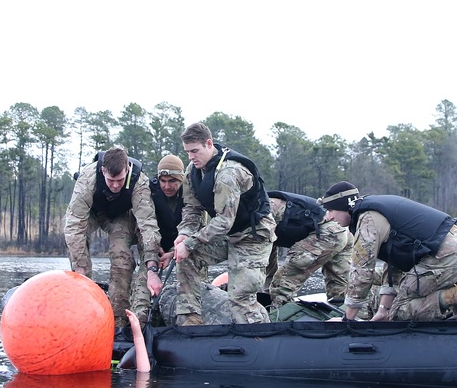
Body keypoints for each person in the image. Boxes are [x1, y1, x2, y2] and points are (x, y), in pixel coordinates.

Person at [320, 181, 457, 322]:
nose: (329, 217)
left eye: (330, 210)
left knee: (399, 311)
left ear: (342, 206)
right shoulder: (378, 208)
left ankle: (455, 294)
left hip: (447, 254)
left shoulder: (366, 219)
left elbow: (361, 272)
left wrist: (346, 320)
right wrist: (383, 310)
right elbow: (393, 266)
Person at [171, 122, 276, 326]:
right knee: (187, 259)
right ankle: (191, 322)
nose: (191, 157)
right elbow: (192, 209)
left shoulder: (228, 174)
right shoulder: (193, 171)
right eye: (187, 152)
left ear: (209, 143)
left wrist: (191, 242)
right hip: (228, 236)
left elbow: (223, 222)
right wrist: (185, 233)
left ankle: (259, 336)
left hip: (253, 237)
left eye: (195, 151)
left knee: (240, 299)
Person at [64, 145, 162, 330]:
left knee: (121, 257)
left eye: (119, 180)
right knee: (77, 249)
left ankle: (118, 318)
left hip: (120, 216)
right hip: (92, 212)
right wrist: (80, 266)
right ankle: (84, 307)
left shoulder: (138, 182)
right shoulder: (88, 178)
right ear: (103, 171)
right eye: (110, 180)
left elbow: (147, 224)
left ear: (127, 169)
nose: (116, 185)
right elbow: (74, 223)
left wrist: (151, 266)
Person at [265, 190, 351, 309]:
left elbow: (255, 255)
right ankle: (343, 313)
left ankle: (278, 318)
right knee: (339, 287)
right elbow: (267, 260)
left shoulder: (258, 209)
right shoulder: (261, 207)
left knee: (283, 285)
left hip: (329, 233)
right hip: (341, 232)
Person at [135, 153, 187, 305]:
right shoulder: (149, 191)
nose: (167, 186)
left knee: (189, 274)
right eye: (162, 181)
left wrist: (173, 251)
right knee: (144, 283)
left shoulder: (191, 192)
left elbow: (196, 228)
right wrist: (153, 256)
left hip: (182, 245)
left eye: (172, 181)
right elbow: (146, 226)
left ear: (181, 179)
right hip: (153, 243)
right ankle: (140, 316)